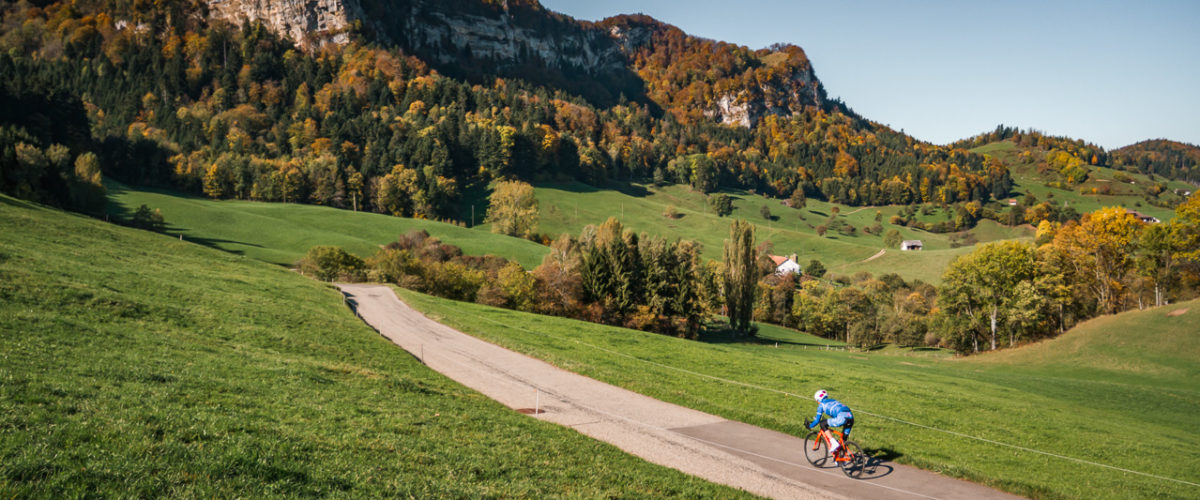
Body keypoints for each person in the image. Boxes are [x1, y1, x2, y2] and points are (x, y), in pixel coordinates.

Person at [807, 389, 853, 455]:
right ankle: (841, 459)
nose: (818, 403)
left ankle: (833, 442)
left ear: (818, 400)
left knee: (823, 423)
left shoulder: (821, 405)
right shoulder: (833, 400)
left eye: (817, 401)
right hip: (850, 416)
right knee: (843, 441)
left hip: (841, 418)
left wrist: (809, 426)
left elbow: (817, 421)